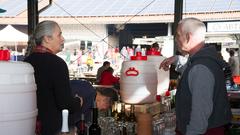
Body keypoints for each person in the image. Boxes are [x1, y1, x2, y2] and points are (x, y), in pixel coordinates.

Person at [160, 18, 231, 135]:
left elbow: (200, 115)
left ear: (188, 37)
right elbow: (190, 70)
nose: (176, 40)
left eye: (178, 35)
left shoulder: (200, 68)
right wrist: (176, 59)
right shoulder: (203, 60)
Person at [24, 20, 83, 135]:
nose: (63, 39)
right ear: (47, 38)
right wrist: (78, 101)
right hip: (53, 128)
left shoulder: (27, 62)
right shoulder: (57, 63)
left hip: (30, 126)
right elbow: (65, 104)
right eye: (59, 34)